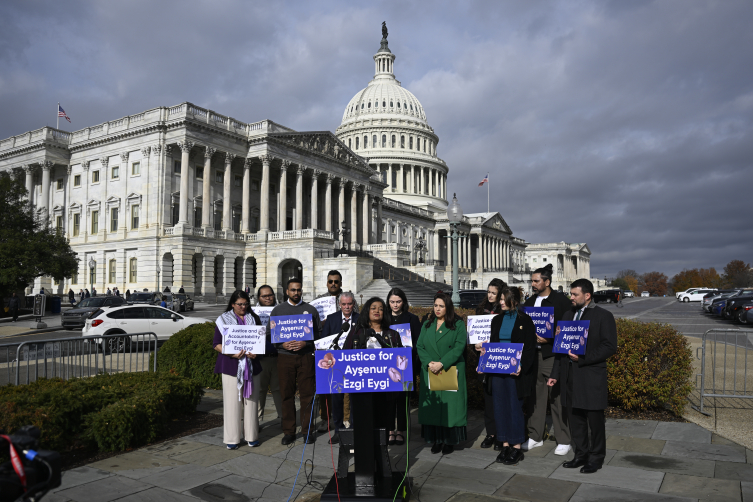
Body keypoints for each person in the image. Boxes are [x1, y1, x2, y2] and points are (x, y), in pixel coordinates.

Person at [548, 279, 617, 474]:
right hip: (569, 376)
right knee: (575, 419)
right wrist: (555, 374)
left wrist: (584, 358)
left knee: (594, 421)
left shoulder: (603, 316)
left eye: (574, 294)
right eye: (571, 294)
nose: (571, 297)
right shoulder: (567, 315)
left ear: (587, 296)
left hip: (591, 376)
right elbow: (560, 349)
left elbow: (609, 346)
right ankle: (580, 454)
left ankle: (596, 457)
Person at [478, 286, 537, 466]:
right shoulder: (496, 320)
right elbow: (493, 346)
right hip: (497, 372)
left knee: (514, 408)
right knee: (499, 406)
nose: (500, 302)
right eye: (500, 299)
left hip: (515, 373)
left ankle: (516, 447)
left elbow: (529, 349)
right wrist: (483, 358)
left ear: (515, 301)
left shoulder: (525, 321)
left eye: (504, 299)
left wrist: (522, 365)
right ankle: (504, 444)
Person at [522, 263, 573, 455]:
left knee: (556, 397)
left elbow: (569, 330)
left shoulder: (561, 302)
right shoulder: (528, 303)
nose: (533, 284)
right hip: (532, 356)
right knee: (535, 397)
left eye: (536, 281)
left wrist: (550, 338)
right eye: (532, 281)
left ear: (547, 282)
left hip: (552, 355)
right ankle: (536, 436)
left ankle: (564, 439)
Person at [271, 278, 322, 445]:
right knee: (286, 395)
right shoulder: (278, 311)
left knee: (307, 395)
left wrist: (306, 343)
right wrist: (281, 343)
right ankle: (289, 431)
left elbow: (318, 336)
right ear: (287, 291)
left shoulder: (310, 310)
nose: (296, 293)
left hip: (305, 356)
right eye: (293, 290)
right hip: (284, 356)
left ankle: (307, 431)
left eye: (298, 290)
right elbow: (271, 335)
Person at [417, 291, 468, 455]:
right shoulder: (427, 324)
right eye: (435, 306)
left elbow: (459, 347)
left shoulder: (458, 325)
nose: (437, 309)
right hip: (430, 370)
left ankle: (449, 441)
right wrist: (428, 363)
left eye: (441, 306)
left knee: (450, 408)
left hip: (450, 369)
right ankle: (436, 440)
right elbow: (420, 346)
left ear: (448, 307)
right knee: (434, 407)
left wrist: (442, 363)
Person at [342, 297, 403, 432]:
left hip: (385, 389)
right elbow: (345, 356)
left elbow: (400, 360)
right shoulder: (357, 333)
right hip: (362, 389)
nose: (377, 311)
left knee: (383, 425)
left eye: (381, 309)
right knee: (363, 426)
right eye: (373, 308)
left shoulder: (392, 335)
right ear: (367, 311)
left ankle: (383, 451)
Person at [213, 290, 263, 450]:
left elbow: (259, 341)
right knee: (231, 403)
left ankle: (252, 436)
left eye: (246, 304)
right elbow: (216, 344)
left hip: (252, 365)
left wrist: (257, 352)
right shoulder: (223, 320)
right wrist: (232, 353)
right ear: (233, 304)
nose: (243, 307)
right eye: (240, 304)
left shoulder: (254, 318)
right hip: (230, 366)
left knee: (252, 403)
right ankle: (232, 438)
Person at [384, 287, 421, 446]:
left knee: (402, 400)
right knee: (389, 400)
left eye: (398, 301)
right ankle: (390, 430)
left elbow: (418, 341)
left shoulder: (411, 318)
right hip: (387, 364)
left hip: (405, 364)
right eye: (392, 302)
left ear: (403, 302)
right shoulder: (384, 318)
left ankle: (401, 431)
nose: (395, 305)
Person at [321, 291, 359, 444]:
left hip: (354, 366)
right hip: (335, 366)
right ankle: (338, 430)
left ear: (353, 304)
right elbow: (324, 341)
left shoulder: (360, 319)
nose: (347, 307)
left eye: (349, 304)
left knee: (354, 399)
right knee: (336, 400)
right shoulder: (332, 319)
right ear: (339, 304)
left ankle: (355, 429)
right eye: (344, 304)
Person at [474, 278, 507, 451]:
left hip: (500, 358)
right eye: (489, 292)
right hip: (485, 358)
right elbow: (474, 335)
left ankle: (502, 434)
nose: (490, 295)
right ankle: (491, 433)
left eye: (494, 293)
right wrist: (476, 346)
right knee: (488, 398)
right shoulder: (481, 310)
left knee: (501, 398)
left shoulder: (505, 312)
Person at [314, 269, 343, 433]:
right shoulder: (319, 300)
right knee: (325, 388)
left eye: (336, 281)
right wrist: (323, 323)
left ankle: (343, 419)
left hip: (342, 349)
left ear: (340, 283)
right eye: (330, 281)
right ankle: (325, 419)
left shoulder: (347, 299)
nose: (333, 284)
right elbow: (311, 322)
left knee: (342, 387)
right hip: (325, 348)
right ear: (327, 283)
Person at [255, 285, 283, 424]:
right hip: (260, 359)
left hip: (278, 357)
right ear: (258, 298)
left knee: (279, 390)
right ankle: (257, 422)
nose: (268, 298)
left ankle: (283, 419)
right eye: (264, 296)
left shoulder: (281, 311)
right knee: (260, 391)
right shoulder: (253, 314)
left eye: (270, 295)